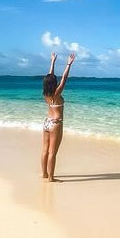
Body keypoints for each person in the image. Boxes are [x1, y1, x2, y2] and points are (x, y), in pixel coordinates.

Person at [41, 50, 75, 182]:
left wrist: (52, 62)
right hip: (55, 123)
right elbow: (64, 80)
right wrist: (68, 65)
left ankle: (44, 174)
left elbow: (50, 77)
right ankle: (51, 178)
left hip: (46, 122)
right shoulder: (56, 93)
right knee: (52, 152)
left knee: (45, 150)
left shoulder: (46, 94)